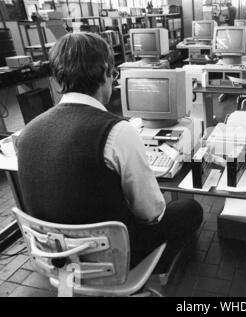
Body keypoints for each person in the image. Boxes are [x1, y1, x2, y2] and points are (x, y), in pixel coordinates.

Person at [16, 32, 203, 269]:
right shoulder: (117, 131)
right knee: (189, 209)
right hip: (111, 258)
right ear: (105, 72)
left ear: (57, 80)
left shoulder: (28, 132)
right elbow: (151, 214)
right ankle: (158, 269)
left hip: (55, 258)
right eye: (112, 74)